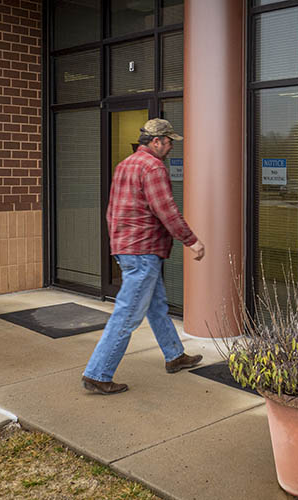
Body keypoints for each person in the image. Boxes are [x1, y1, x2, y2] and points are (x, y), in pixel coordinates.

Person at [82, 118, 206, 395]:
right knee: (127, 315)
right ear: (156, 141)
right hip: (143, 251)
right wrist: (192, 241)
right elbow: (167, 210)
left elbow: (112, 210)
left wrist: (118, 244)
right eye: (169, 141)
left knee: (157, 306)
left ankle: (174, 355)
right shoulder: (153, 167)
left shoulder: (125, 165)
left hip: (128, 249)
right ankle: (98, 373)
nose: (171, 146)